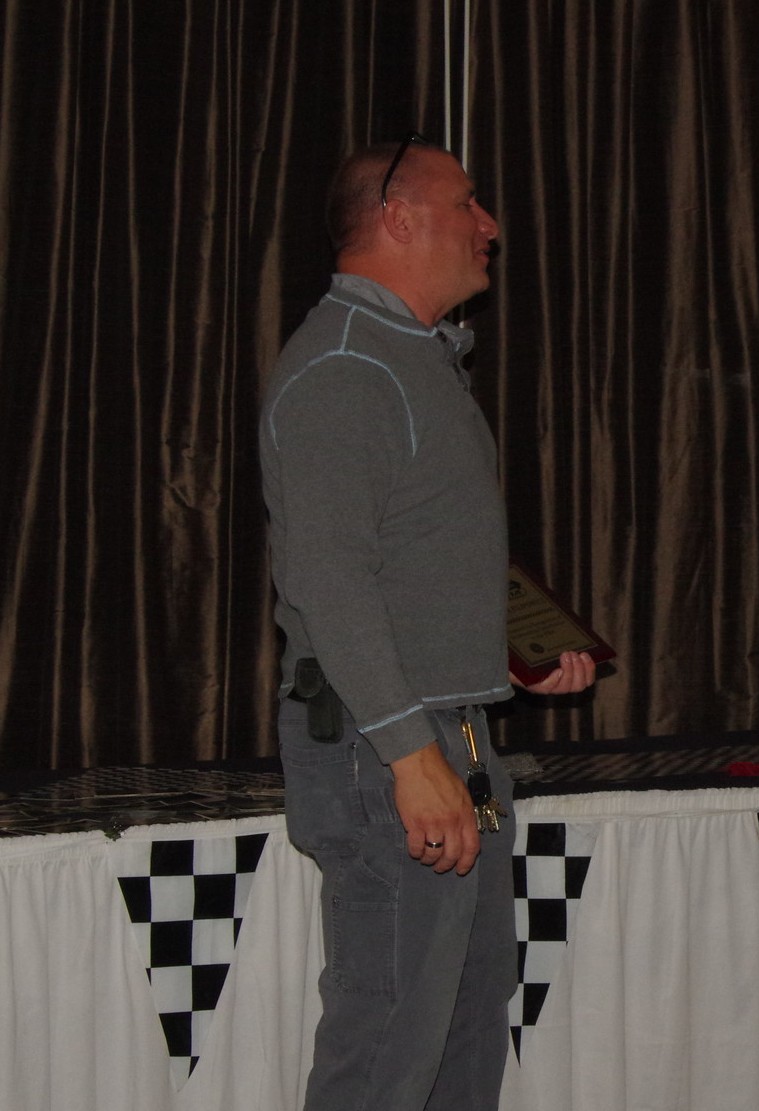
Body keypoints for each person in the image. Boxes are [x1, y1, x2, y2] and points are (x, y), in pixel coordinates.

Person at [260, 136, 596, 1111]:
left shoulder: (413, 357)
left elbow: (412, 554)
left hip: (446, 730)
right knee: (390, 1032)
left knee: (462, 1016)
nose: (489, 225)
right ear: (399, 218)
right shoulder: (344, 366)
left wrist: (515, 652)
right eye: (467, 203)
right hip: (386, 747)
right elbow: (329, 580)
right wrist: (412, 757)